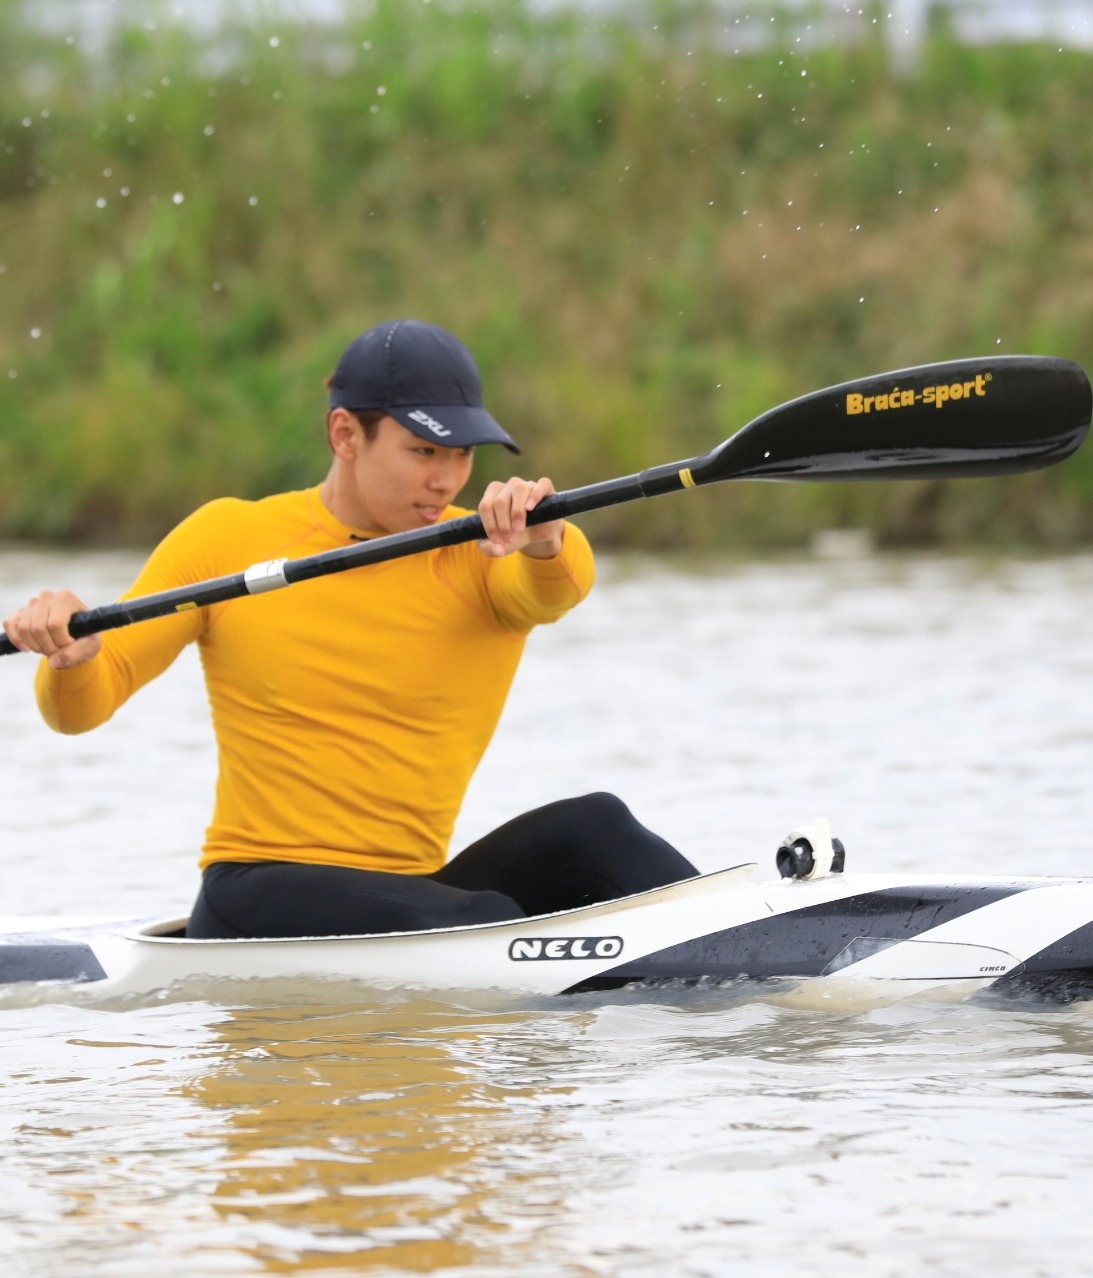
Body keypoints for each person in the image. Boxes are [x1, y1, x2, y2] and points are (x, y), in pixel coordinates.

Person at [3, 319, 697, 938]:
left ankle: (749, 945)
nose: (445, 477)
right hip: (257, 891)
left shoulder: (484, 549)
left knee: (596, 827)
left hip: (410, 892)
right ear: (345, 435)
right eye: (422, 451)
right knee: (487, 923)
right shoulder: (229, 537)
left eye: (461, 455)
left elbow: (556, 589)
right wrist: (71, 657)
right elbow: (83, 708)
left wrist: (545, 538)